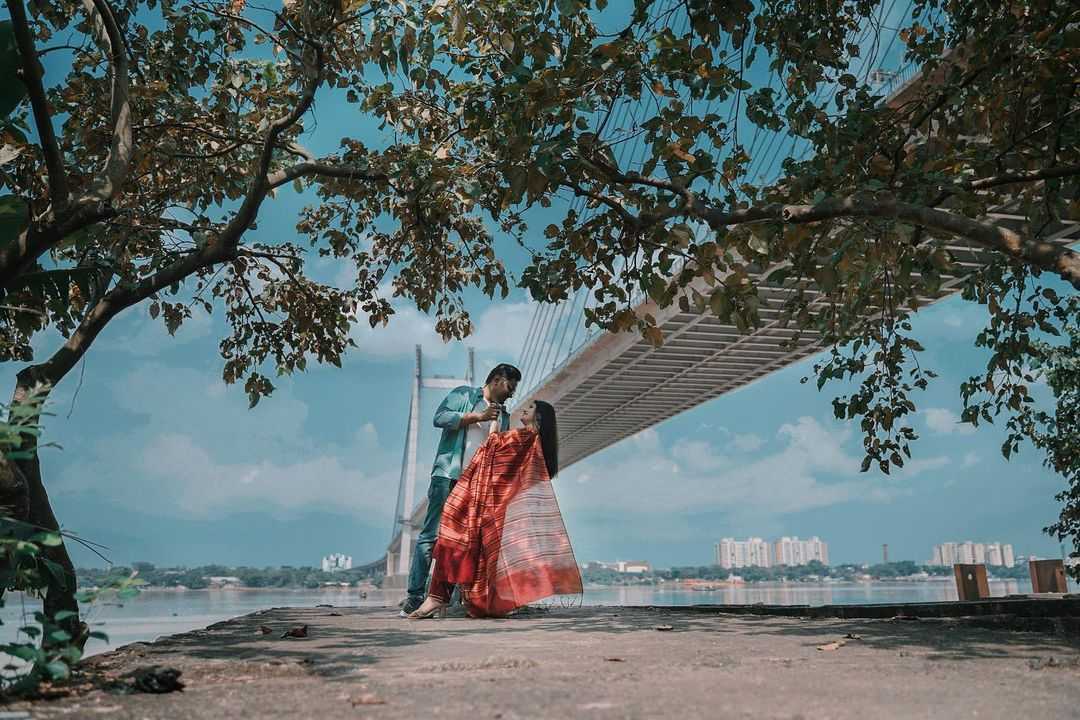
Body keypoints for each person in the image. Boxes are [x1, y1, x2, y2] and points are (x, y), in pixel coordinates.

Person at [408, 400, 582, 619]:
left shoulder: (524, 437)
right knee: (474, 550)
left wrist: (494, 422)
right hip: (500, 507)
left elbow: (492, 446)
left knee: (456, 538)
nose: (524, 410)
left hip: (488, 505)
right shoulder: (534, 443)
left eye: (529, 409)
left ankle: (438, 599)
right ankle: (449, 600)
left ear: (538, 418)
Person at [399, 363, 521, 617]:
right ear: (497, 380)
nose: (512, 393)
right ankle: (414, 596)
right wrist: (477, 417)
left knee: (463, 543)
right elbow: (439, 418)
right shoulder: (464, 395)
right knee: (431, 537)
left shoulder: (505, 417)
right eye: (510, 386)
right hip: (447, 476)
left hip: (477, 488)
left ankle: (449, 597)